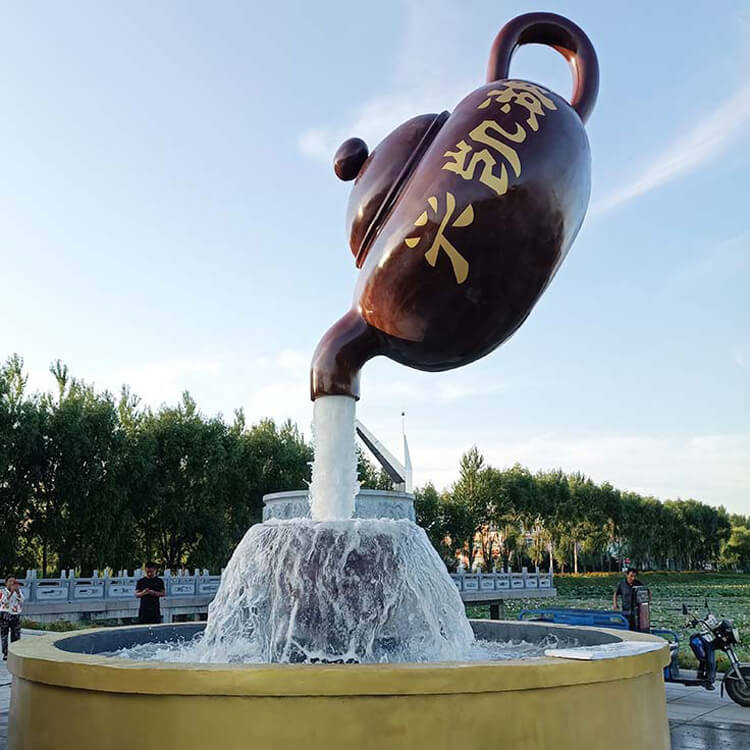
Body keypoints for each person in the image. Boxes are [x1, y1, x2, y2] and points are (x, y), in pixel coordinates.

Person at [1, 575, 24, 660]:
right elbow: (3, 601)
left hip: (16, 614)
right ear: (6, 583)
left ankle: (15, 652)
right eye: (10, 581)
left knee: (16, 635)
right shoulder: (2, 591)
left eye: (13, 581)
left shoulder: (18, 591)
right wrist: (10, 593)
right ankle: (5, 653)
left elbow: (22, 601)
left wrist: (17, 592)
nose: (12, 583)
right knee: (4, 635)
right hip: (5, 614)